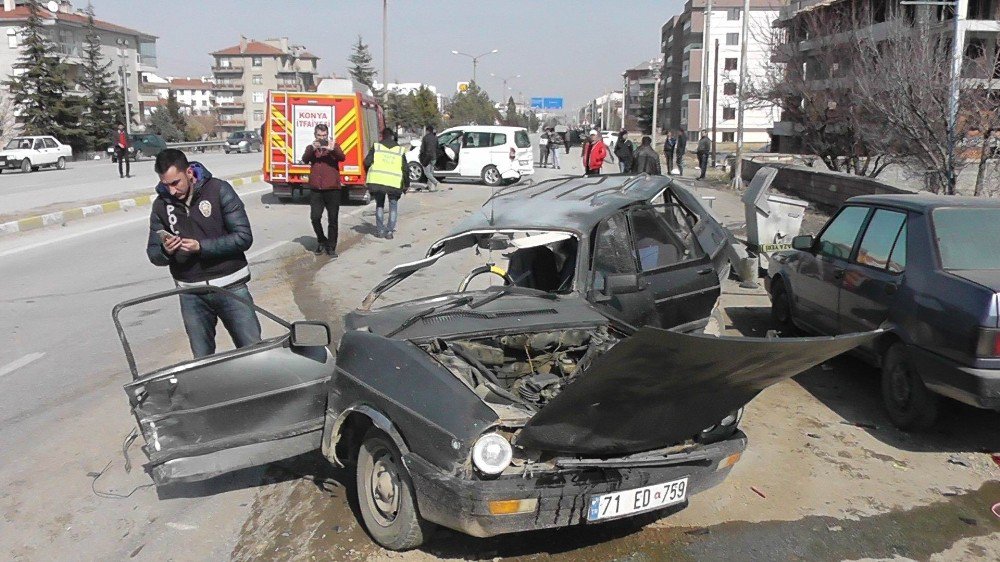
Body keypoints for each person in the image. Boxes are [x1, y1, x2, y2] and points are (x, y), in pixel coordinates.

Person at [146, 149, 261, 359]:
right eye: (166, 184)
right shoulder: (161, 205)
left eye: (176, 183)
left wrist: (202, 247)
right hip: (191, 294)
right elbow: (153, 254)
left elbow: (244, 237)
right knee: (201, 361)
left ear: (189, 172)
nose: (172, 191)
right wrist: (166, 250)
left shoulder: (218, 190)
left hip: (231, 288)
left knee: (254, 353)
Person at [302, 123, 347, 257]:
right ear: (315, 135)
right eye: (319, 135)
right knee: (315, 217)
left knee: (333, 219)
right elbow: (305, 159)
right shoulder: (311, 148)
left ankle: (331, 247)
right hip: (317, 189)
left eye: (324, 135)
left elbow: (342, 157)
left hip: (332, 189)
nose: (322, 138)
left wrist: (332, 149)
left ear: (327, 135)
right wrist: (312, 149)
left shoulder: (333, 147)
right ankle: (322, 240)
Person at [364, 127, 409, 240]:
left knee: (380, 205)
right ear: (392, 136)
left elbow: (366, 162)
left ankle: (380, 231)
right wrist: (406, 184)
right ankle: (389, 232)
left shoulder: (376, 147)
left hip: (378, 182)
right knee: (393, 207)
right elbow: (405, 169)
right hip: (394, 183)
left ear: (382, 136)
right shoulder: (399, 150)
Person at [419, 124, 440, 192]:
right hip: (434, 158)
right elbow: (437, 148)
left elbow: (422, 149)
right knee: (431, 172)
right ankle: (430, 187)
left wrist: (421, 156)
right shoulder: (435, 137)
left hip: (427, 157)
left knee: (427, 173)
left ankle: (435, 182)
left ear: (427, 130)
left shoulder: (425, 138)